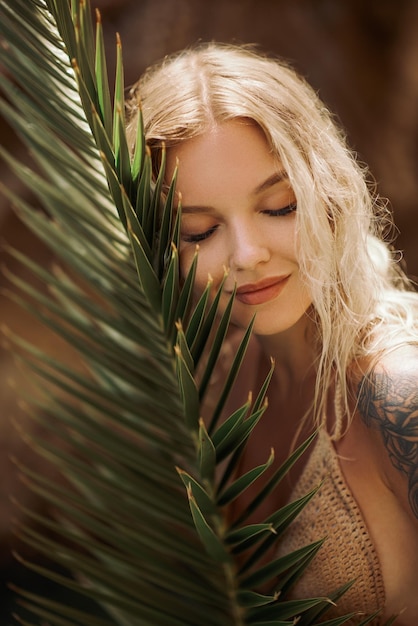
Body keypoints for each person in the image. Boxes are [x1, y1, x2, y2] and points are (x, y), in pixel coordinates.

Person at [125, 43, 418, 625]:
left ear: (328, 192)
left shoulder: (396, 391)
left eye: (280, 207)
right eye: (200, 231)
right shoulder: (214, 386)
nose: (248, 254)